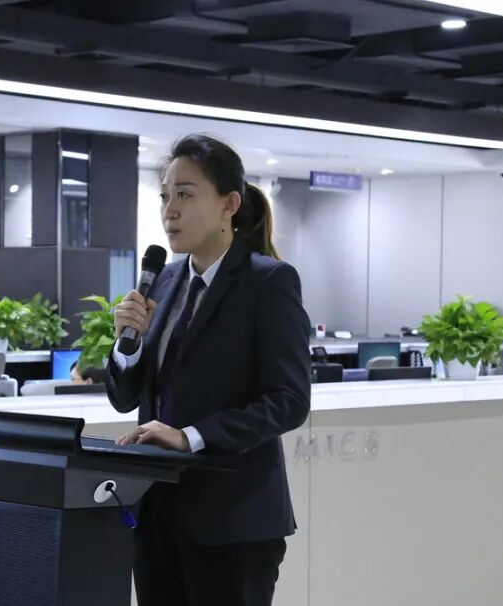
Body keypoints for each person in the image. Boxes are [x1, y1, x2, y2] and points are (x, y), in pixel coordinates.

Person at [105, 134, 311, 606]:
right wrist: (127, 344)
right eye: (165, 196)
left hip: (233, 522)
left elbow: (289, 401)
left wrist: (191, 437)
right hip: (157, 514)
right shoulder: (165, 280)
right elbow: (125, 397)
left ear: (228, 205)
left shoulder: (268, 282)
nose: (170, 211)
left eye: (185, 194)